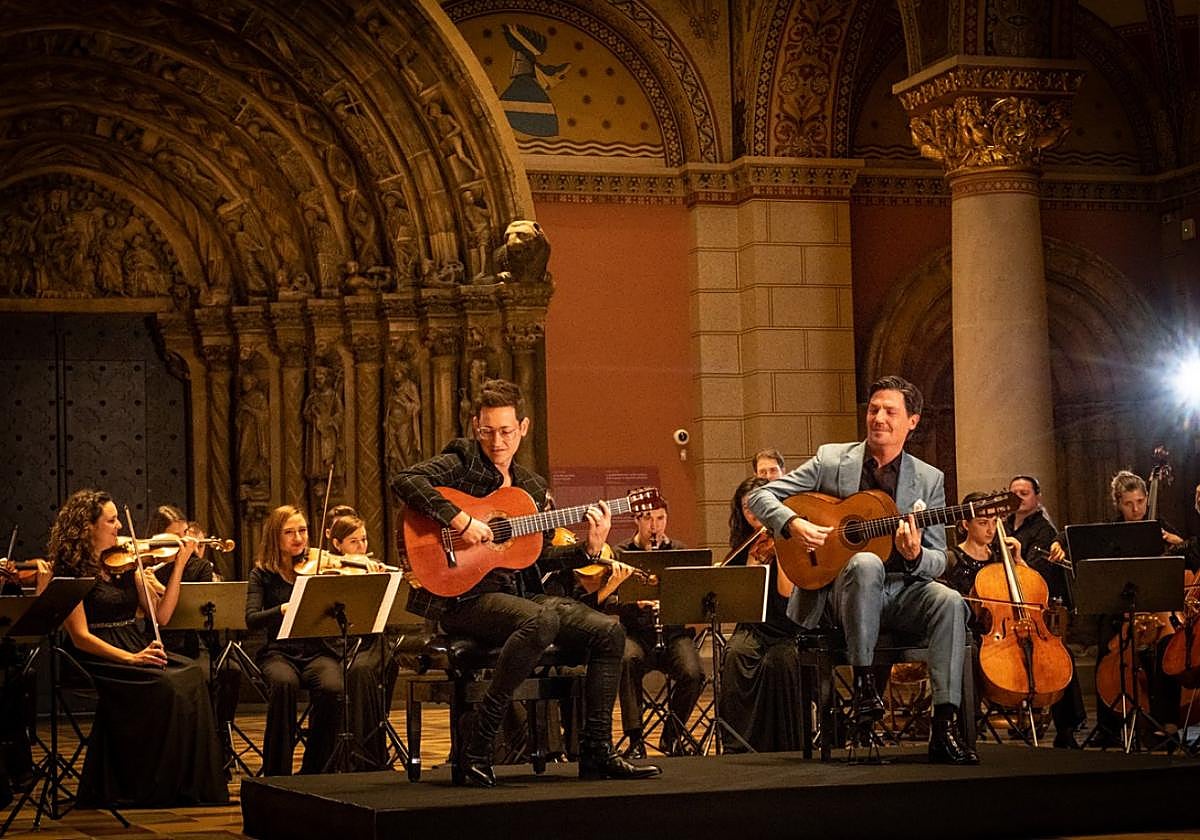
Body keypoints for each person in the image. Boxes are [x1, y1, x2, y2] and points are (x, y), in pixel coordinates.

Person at [390, 378, 660, 786]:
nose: (496, 442)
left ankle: (596, 751)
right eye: (487, 431)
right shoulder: (461, 460)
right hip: (464, 599)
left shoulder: (531, 488)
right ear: (476, 427)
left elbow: (538, 555)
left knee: (608, 632)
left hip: (520, 597)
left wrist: (589, 547)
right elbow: (405, 480)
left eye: (505, 432)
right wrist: (460, 519)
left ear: (524, 428)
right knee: (540, 621)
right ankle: (479, 743)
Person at [747, 375, 978, 765]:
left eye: (890, 411)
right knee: (867, 562)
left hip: (903, 591)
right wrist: (793, 524)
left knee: (951, 601)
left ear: (913, 422)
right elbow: (760, 494)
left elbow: (940, 558)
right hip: (841, 595)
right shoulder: (833, 460)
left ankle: (944, 725)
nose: (879, 418)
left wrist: (916, 554)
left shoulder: (929, 479)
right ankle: (866, 685)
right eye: (873, 410)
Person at [48, 489, 227, 806]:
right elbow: (80, 637)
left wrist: (180, 565)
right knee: (167, 687)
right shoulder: (71, 570)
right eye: (111, 521)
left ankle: (184, 785)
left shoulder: (125, 564)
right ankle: (151, 785)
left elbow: (163, 616)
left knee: (192, 678)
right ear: (87, 527)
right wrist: (131, 658)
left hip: (134, 641)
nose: (119, 528)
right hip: (99, 654)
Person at [245, 505, 381, 775]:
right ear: (275, 536)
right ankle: (277, 771)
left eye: (303, 531)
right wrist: (283, 608)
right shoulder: (262, 574)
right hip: (279, 653)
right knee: (284, 684)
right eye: (290, 532)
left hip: (318, 653)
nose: (298, 538)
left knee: (334, 686)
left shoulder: (320, 565)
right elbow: (251, 619)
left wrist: (364, 570)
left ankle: (315, 770)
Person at [614, 502, 703, 757]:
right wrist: (636, 602)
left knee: (693, 673)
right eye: (648, 518)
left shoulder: (679, 551)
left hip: (672, 633)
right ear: (636, 520)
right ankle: (635, 740)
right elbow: (613, 601)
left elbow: (691, 600)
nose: (655, 526)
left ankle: (671, 736)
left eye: (661, 518)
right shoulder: (621, 552)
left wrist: (673, 602)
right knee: (626, 661)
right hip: (637, 633)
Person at [720, 477, 802, 752]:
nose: (753, 511)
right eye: (746, 507)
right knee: (734, 654)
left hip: (786, 627)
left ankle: (784, 744)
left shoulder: (789, 536)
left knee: (780, 661)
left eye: (757, 504)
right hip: (752, 626)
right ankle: (739, 742)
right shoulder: (743, 544)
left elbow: (786, 596)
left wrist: (781, 548)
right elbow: (743, 601)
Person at [1004, 476, 1086, 748]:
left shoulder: (1045, 530)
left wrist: (1019, 561)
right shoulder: (1001, 526)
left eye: (1024, 493)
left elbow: (1042, 580)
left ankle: (1067, 726)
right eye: (1013, 493)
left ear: (1037, 497)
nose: (1018, 498)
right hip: (1005, 610)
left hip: (1036, 609)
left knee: (1057, 657)